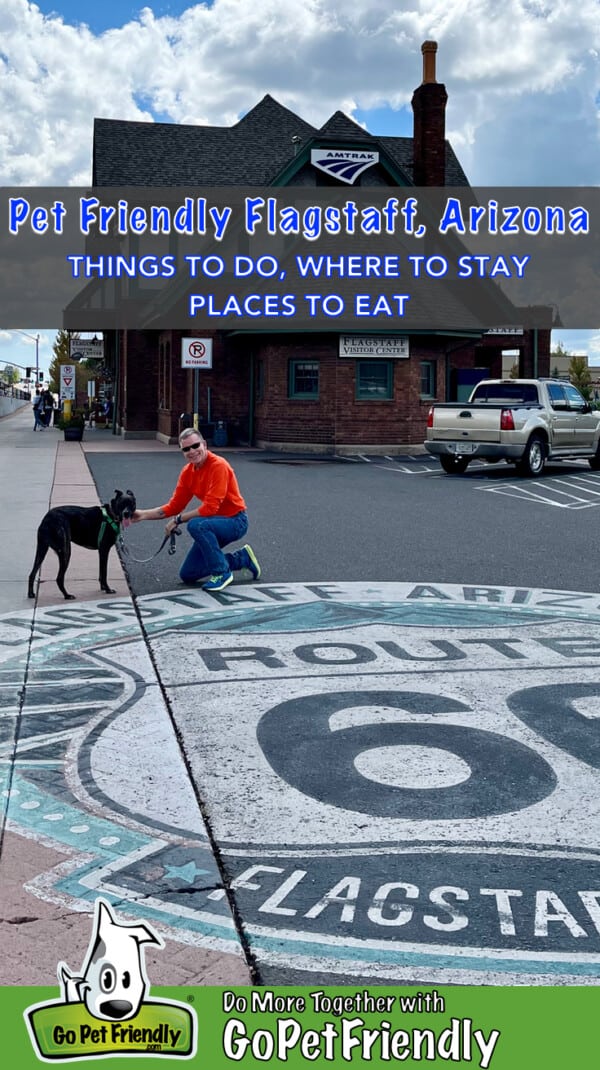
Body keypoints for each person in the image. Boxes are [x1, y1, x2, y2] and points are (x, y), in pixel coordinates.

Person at [132, 427, 261, 592]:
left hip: (235, 521)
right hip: (213, 525)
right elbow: (174, 506)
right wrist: (142, 514)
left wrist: (178, 520)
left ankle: (222, 573)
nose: (192, 451)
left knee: (196, 524)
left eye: (195, 446)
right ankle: (242, 559)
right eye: (186, 449)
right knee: (188, 573)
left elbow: (210, 508)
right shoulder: (187, 473)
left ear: (204, 444)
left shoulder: (219, 466)